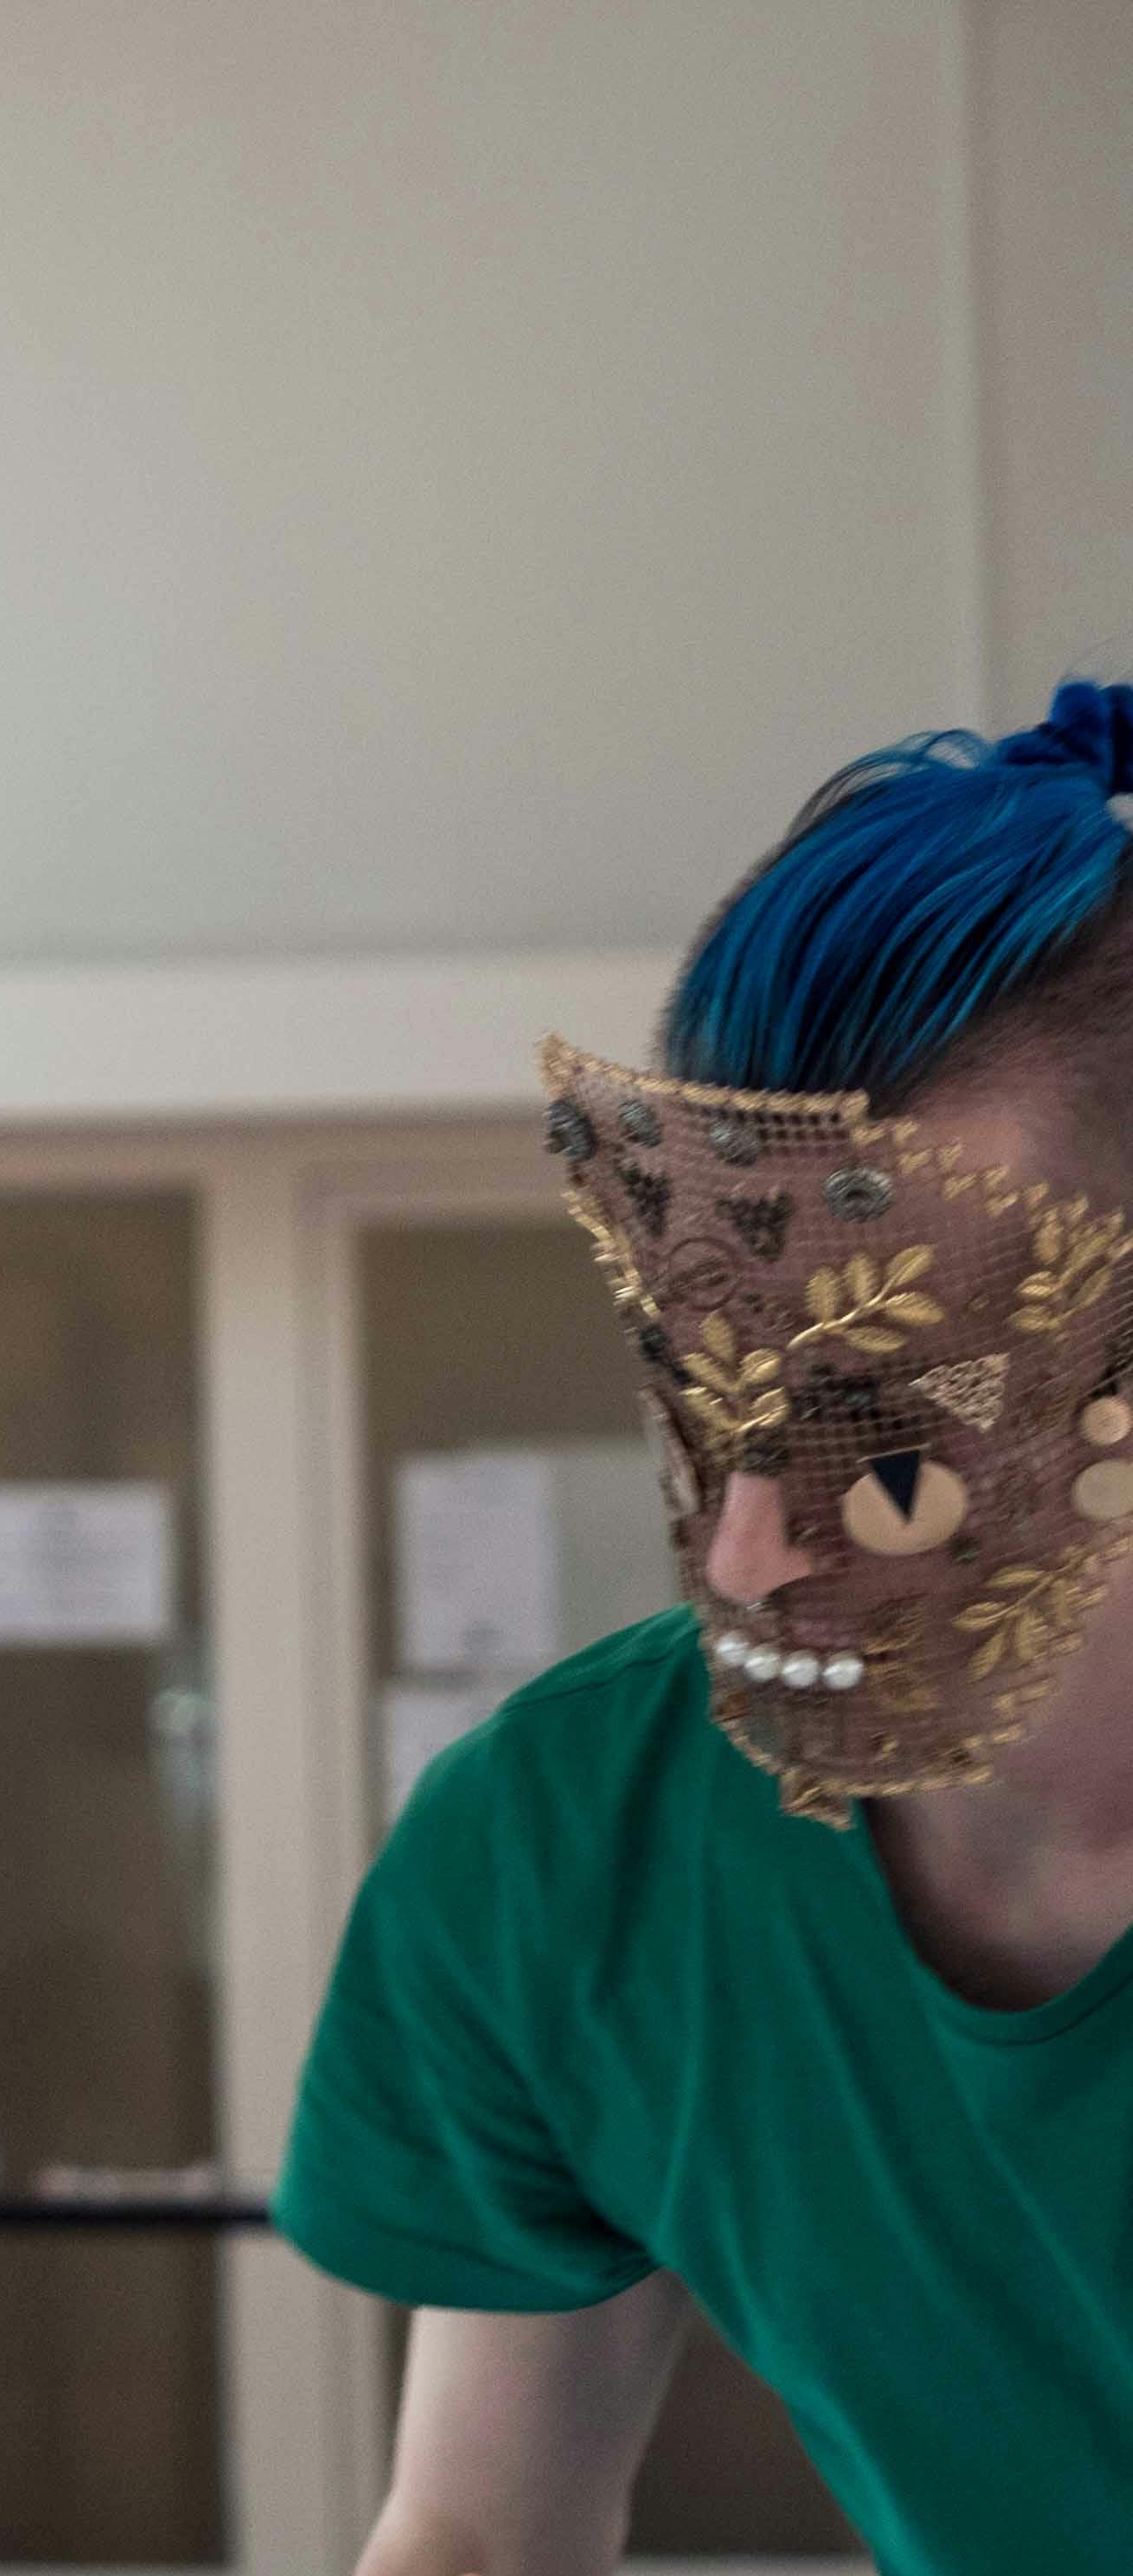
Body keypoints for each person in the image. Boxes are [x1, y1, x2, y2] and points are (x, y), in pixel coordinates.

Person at [279, 677, 1133, 2575]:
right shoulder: (566, 1848)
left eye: (888, 1431)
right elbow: (481, 2530)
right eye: (707, 1389)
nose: (742, 1550)